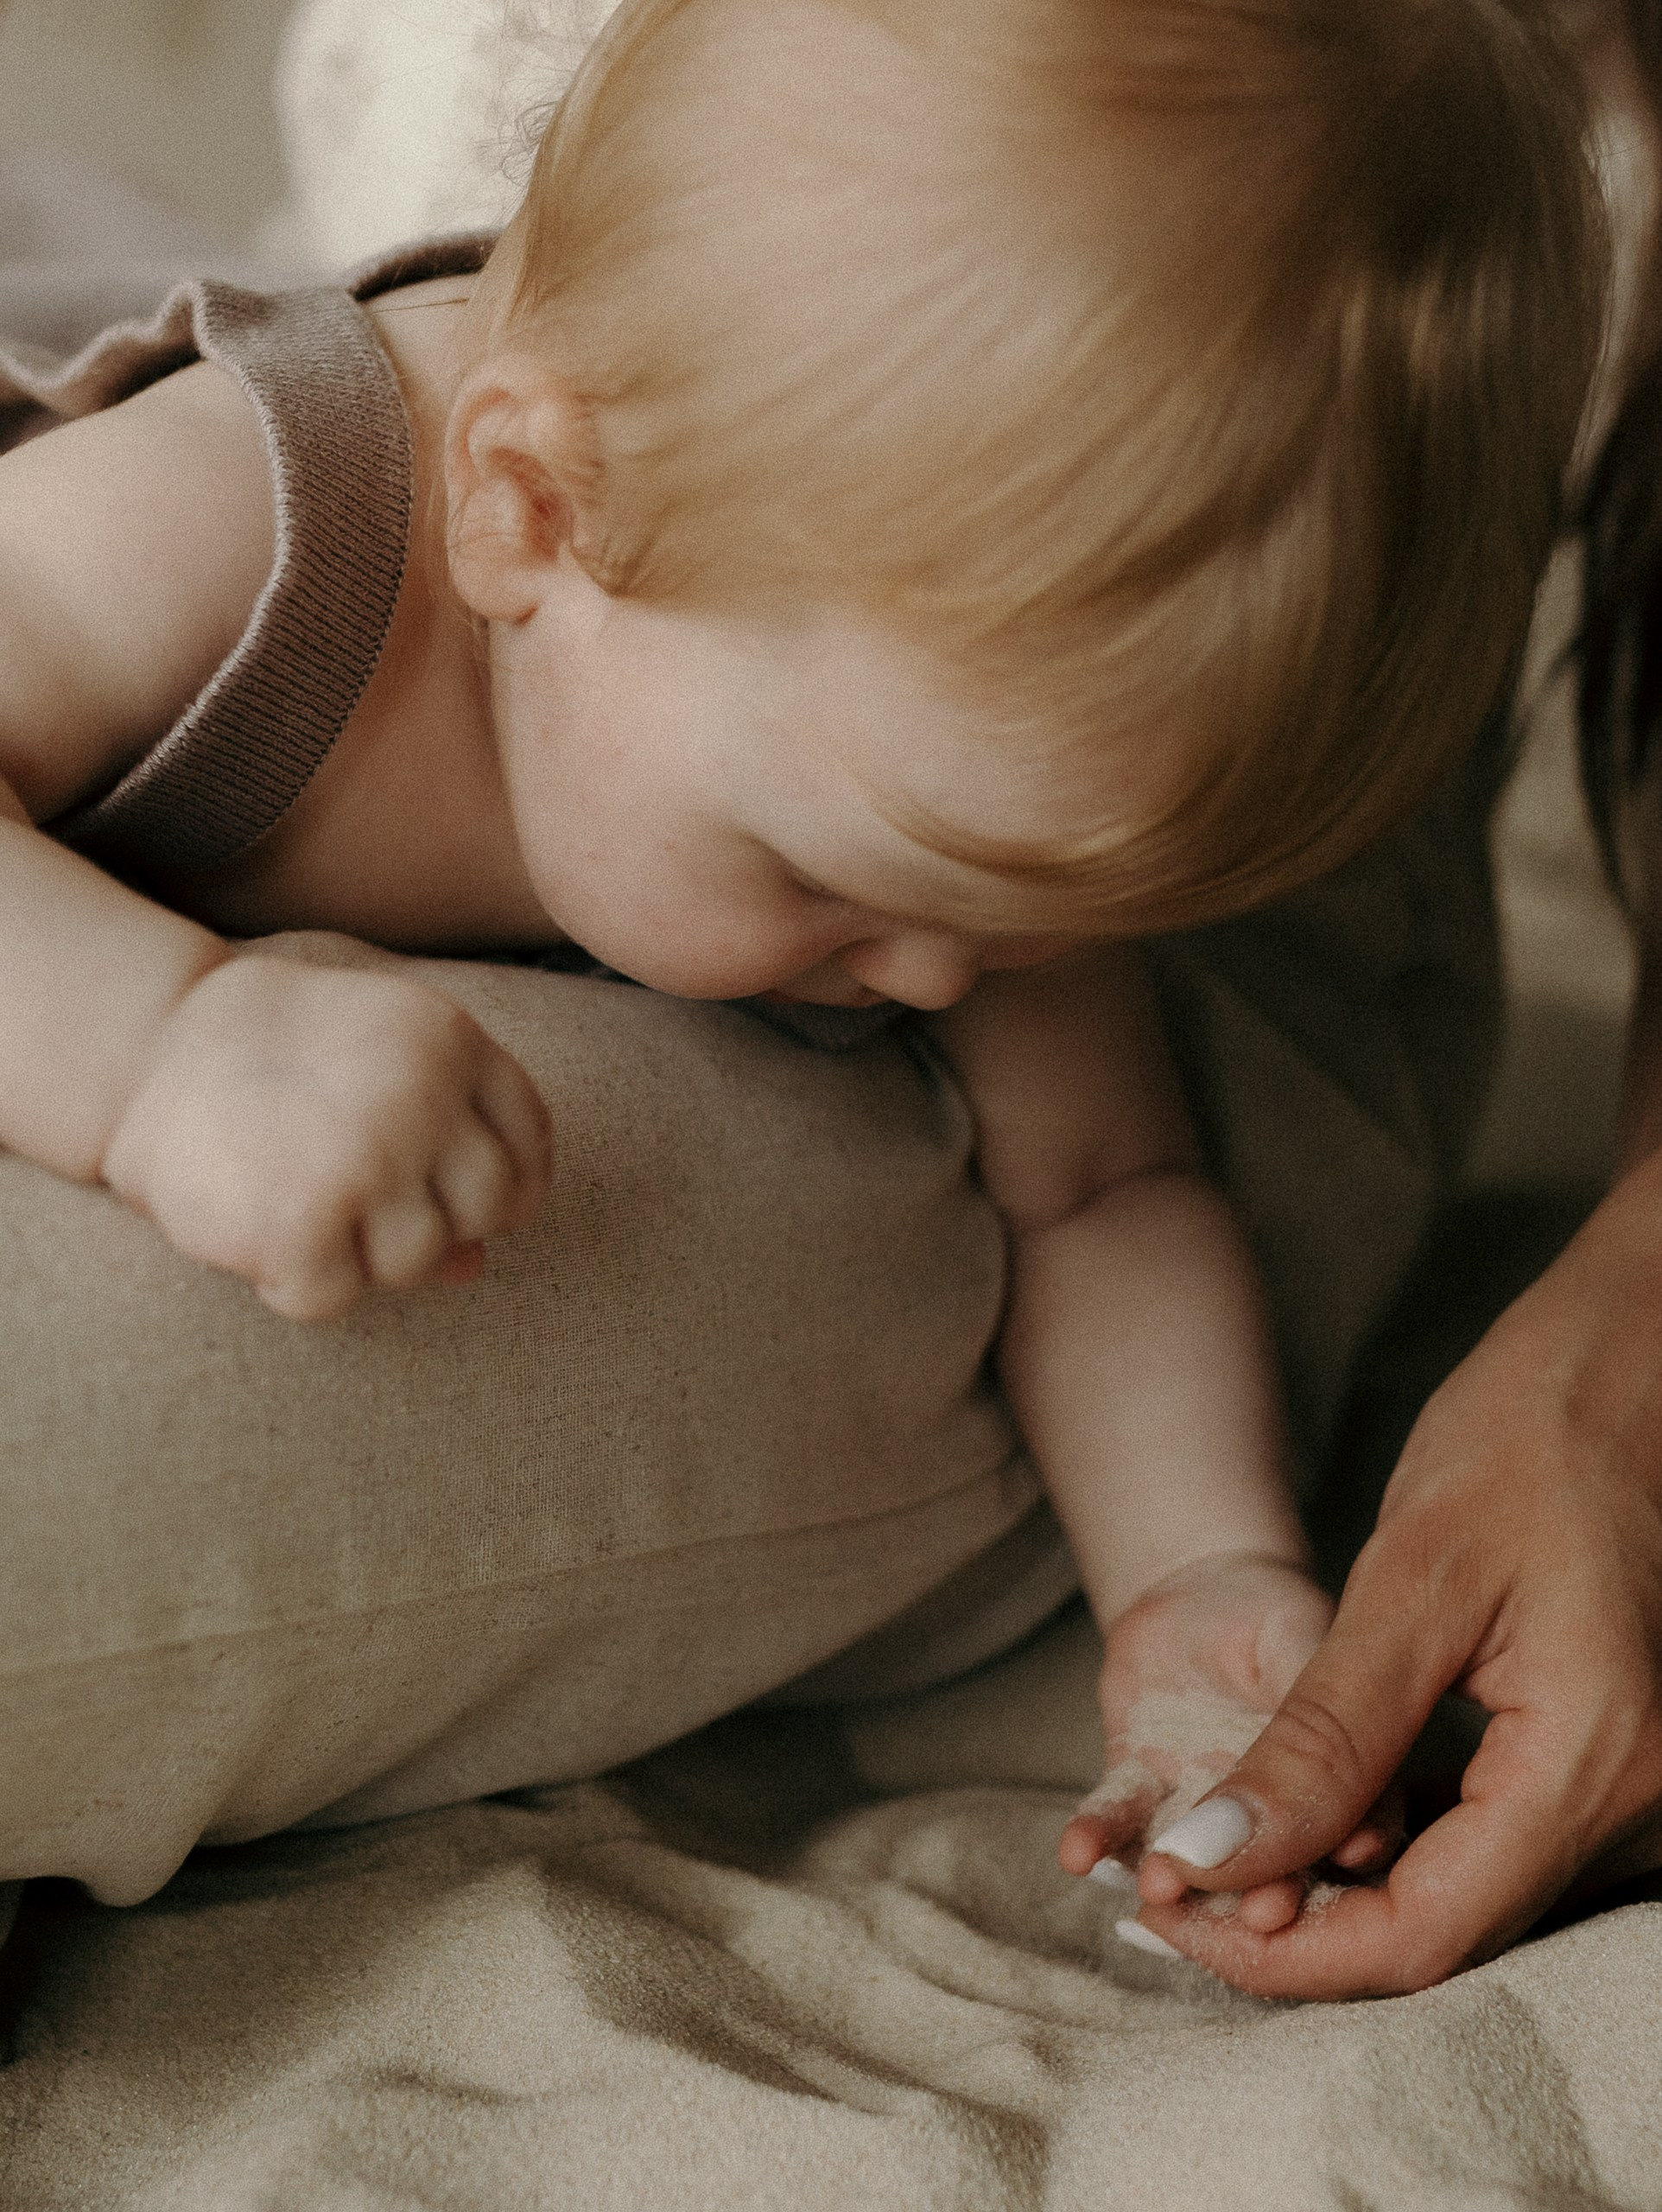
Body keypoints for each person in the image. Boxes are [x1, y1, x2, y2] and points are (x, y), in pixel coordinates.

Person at [0, 0, 1601, 1986]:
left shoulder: (921, 764)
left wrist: (1195, 1569)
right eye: (832, 883)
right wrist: (159, 1048)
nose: (933, 979)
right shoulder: (263, 518)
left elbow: (1096, 1188)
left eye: (1014, 926)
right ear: (528, 514)